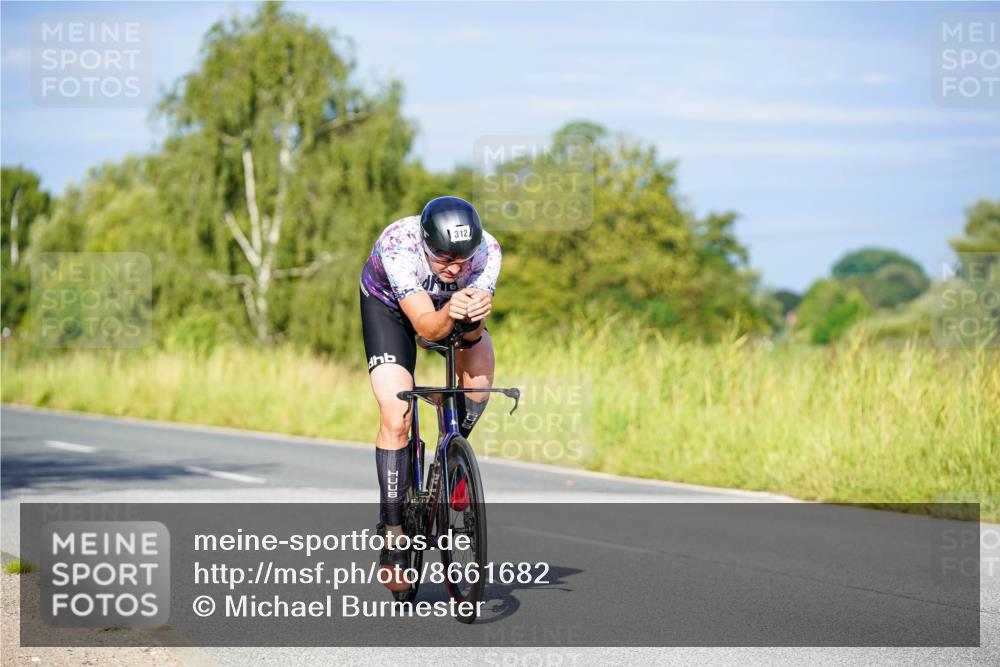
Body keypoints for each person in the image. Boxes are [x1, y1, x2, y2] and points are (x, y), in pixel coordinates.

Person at [359, 196, 501, 591]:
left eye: (462, 259)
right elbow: (426, 328)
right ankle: (393, 533)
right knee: (396, 415)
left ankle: (451, 462)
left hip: (449, 308)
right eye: (444, 259)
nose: (455, 268)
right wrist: (453, 309)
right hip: (391, 308)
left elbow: (470, 333)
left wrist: (473, 318)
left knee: (478, 382)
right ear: (425, 243)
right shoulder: (399, 245)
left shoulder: (488, 251)